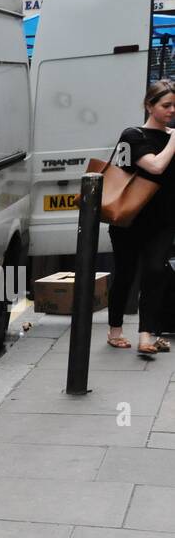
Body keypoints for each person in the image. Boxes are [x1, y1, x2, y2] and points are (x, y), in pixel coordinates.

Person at [104, 79, 175, 356]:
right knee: (125, 274)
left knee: (156, 271)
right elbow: (155, 166)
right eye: (166, 105)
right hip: (129, 219)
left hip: (163, 220)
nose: (172, 110)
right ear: (149, 106)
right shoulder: (133, 136)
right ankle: (115, 330)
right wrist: (173, 140)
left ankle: (147, 334)